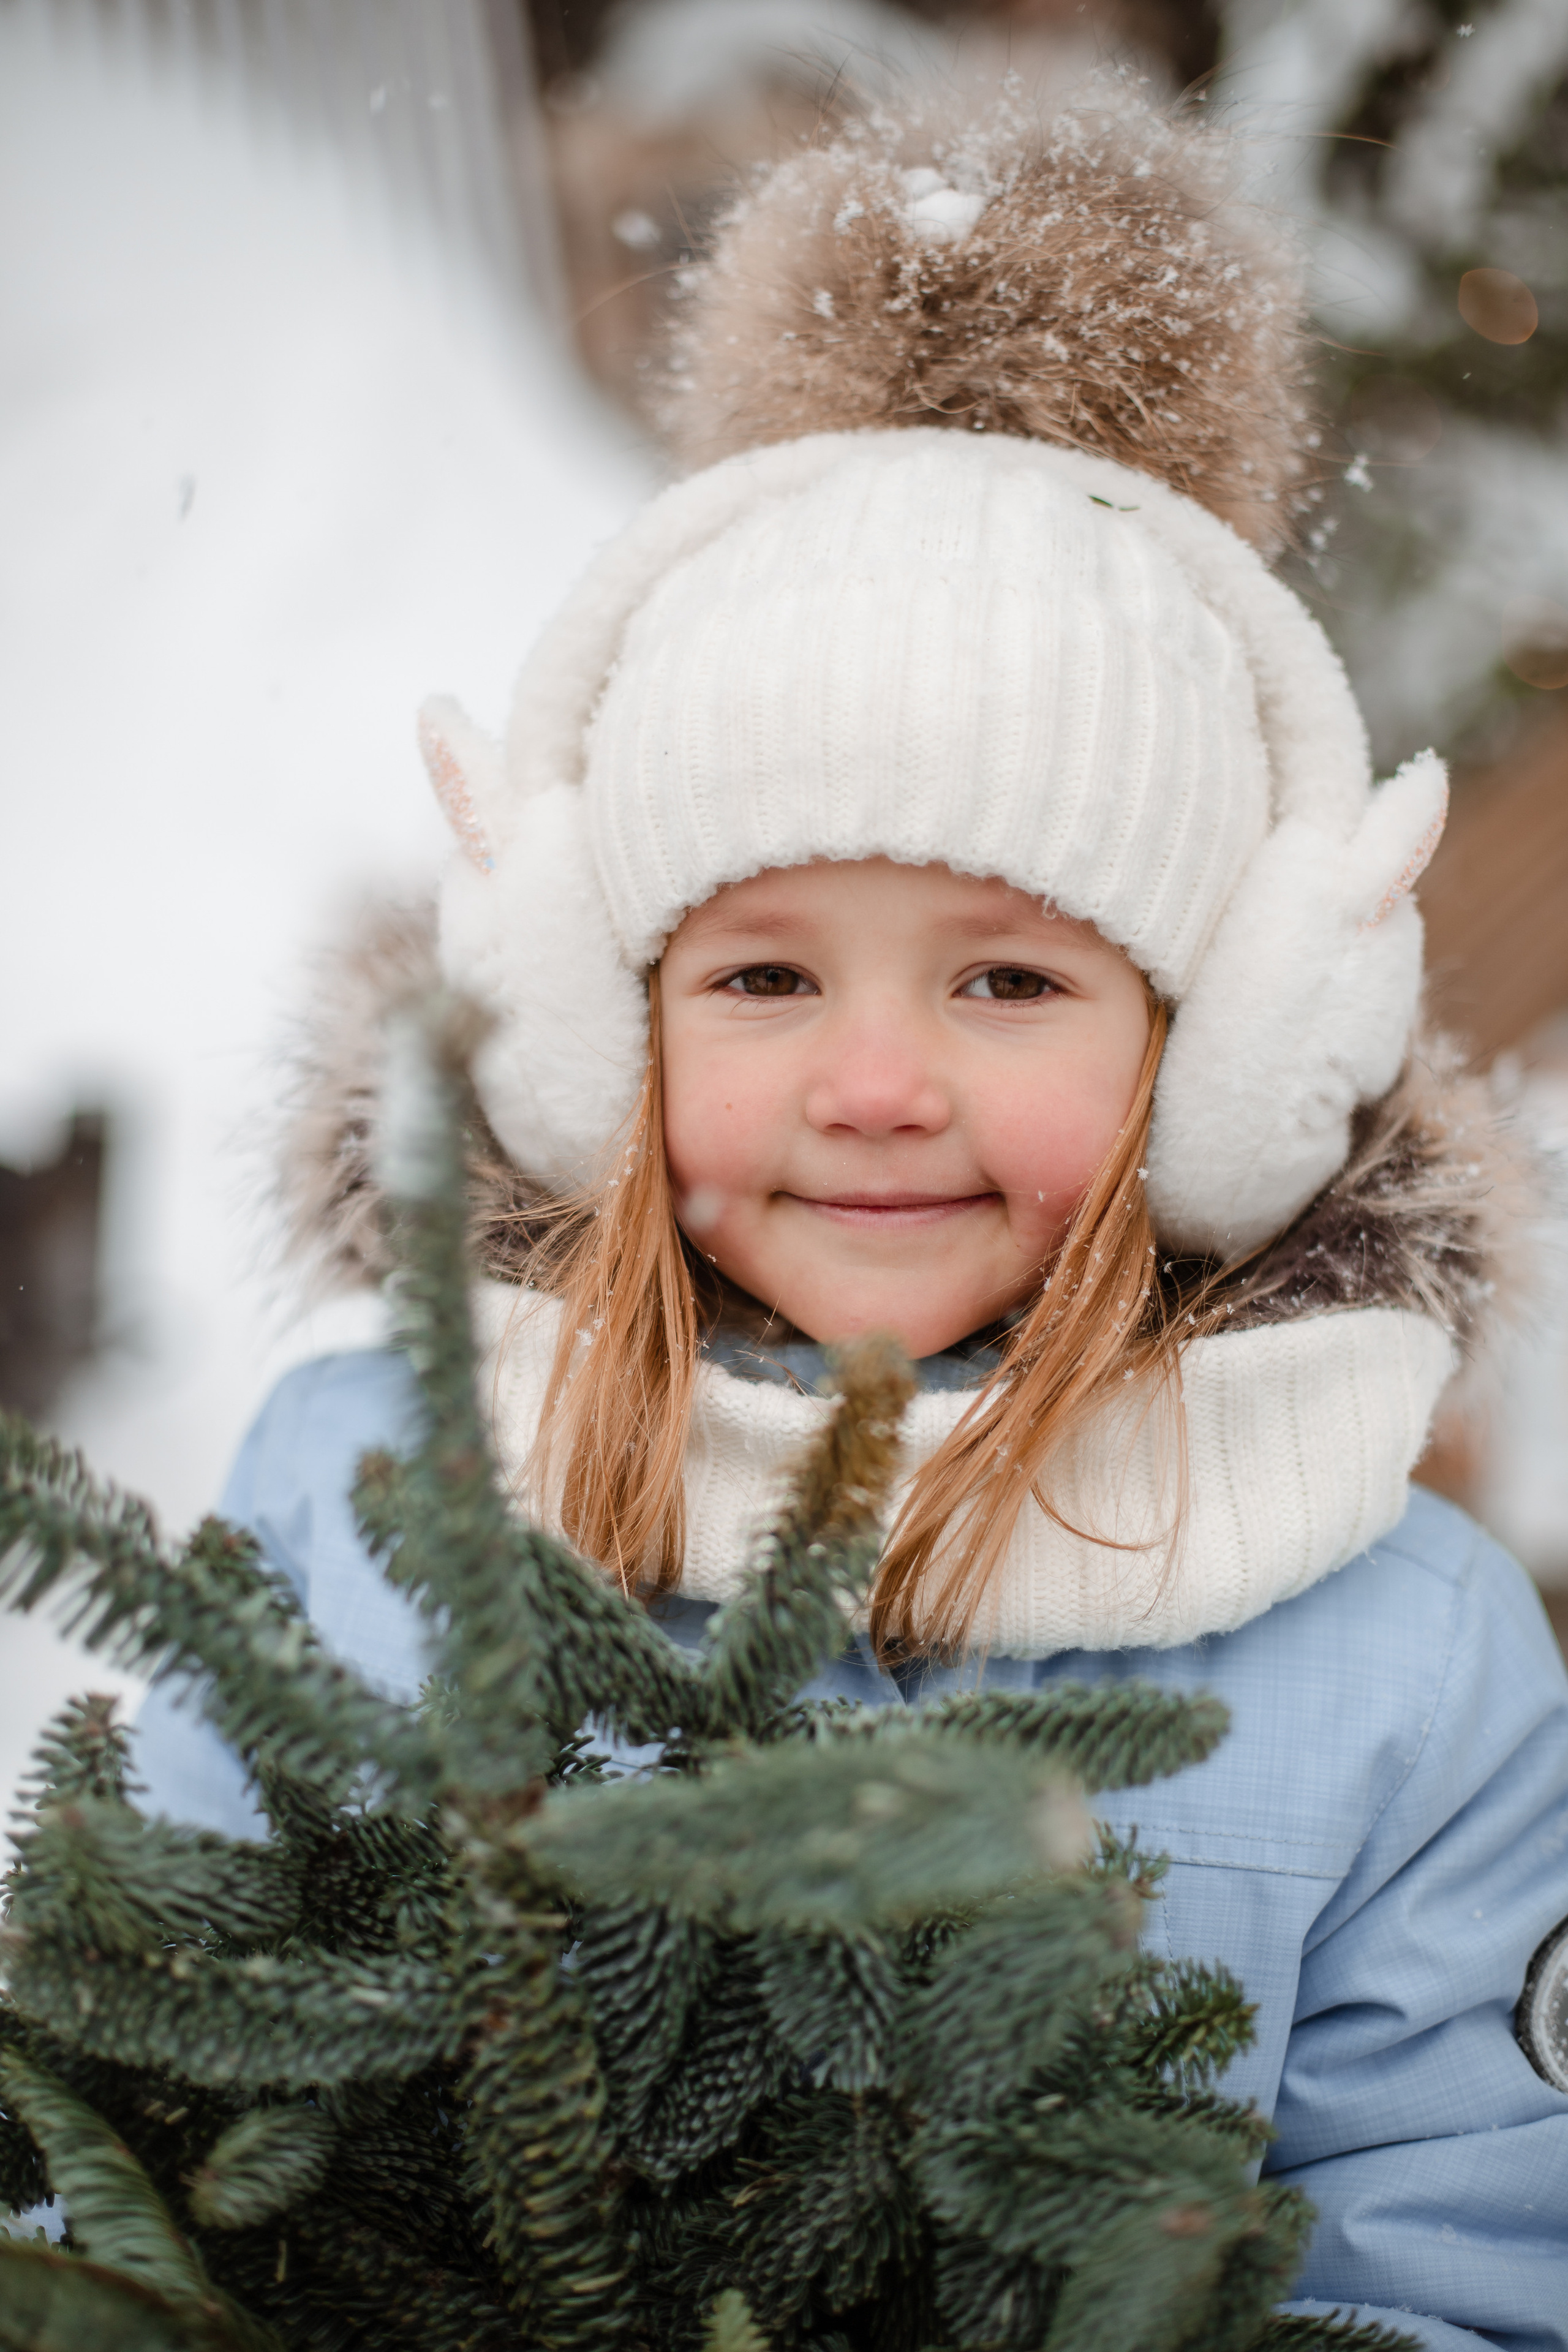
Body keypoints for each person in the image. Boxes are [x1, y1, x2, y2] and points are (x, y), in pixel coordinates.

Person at [138, 86, 1568, 2346]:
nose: (879, 1085)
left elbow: (1460, 2263)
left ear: (1220, 1056)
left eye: (1010, 979)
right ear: (585, 1033)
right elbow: (122, 2146)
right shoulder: (369, 1491)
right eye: (764, 975)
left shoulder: (1414, 1662)